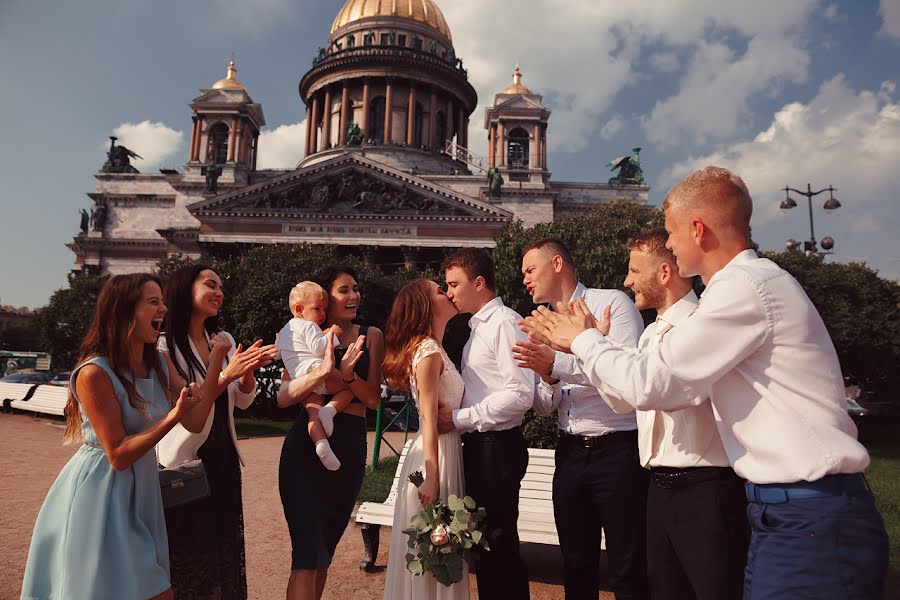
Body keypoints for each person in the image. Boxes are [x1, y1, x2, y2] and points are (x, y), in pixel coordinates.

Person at [522, 166, 890, 600]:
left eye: (671, 232)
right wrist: (585, 346)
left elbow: (654, 383)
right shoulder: (736, 290)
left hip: (807, 513)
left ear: (697, 230)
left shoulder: (745, 287)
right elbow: (644, 387)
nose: (670, 244)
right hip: (789, 510)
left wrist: (581, 340)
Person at [21, 273, 204, 600]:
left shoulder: (158, 362)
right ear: (125, 310)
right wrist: (174, 414)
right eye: (153, 302)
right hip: (103, 492)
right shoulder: (94, 374)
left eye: (162, 301)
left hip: (142, 489)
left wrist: (226, 368)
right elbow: (118, 454)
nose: (164, 307)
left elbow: (197, 409)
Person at [593, 228, 749, 599]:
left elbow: (658, 393)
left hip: (707, 489)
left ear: (664, 273)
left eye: (634, 270)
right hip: (659, 488)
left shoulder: (701, 324)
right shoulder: (649, 335)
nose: (627, 280)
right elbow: (621, 401)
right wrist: (592, 351)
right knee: (665, 590)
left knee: (715, 591)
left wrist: (590, 344)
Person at [511, 238, 649, 600]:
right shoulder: (541, 325)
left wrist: (558, 362)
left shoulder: (610, 303)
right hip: (569, 453)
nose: (524, 279)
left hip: (618, 451)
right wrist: (549, 374)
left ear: (557, 264)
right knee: (576, 566)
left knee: (627, 567)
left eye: (530, 269)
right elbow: (544, 407)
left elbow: (622, 373)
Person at [156, 264, 276, 600]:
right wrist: (223, 371)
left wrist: (248, 372)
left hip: (223, 457)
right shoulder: (164, 347)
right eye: (211, 285)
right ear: (184, 289)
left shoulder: (221, 340)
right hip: (187, 456)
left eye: (221, 287)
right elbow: (190, 406)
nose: (219, 293)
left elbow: (241, 401)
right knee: (191, 554)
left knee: (223, 550)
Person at [277, 266, 384, 600]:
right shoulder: (303, 333)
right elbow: (284, 396)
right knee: (306, 556)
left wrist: (348, 377)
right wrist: (326, 374)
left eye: (355, 288)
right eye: (343, 290)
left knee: (323, 554)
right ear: (323, 298)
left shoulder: (372, 334)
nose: (353, 296)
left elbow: (373, 400)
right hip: (305, 447)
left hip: (349, 444)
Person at [437, 248, 534, 600]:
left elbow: (520, 394)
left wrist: (459, 419)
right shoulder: (479, 326)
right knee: (486, 548)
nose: (449, 293)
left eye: (454, 284)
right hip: (481, 447)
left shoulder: (505, 323)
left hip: (497, 448)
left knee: (498, 545)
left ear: (478, 282)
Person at [382, 279, 468, 599]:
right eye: (438, 291)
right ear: (426, 306)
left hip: (444, 451)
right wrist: (433, 479)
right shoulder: (429, 352)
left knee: (443, 551)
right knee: (434, 553)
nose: (446, 293)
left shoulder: (435, 348)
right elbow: (429, 420)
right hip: (435, 458)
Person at [275, 281, 354, 471]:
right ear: (300, 309)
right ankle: (331, 411)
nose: (322, 314)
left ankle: (321, 445)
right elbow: (318, 347)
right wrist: (332, 336)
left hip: (300, 379)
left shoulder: (286, 330)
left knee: (313, 411)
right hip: (317, 369)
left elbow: (277, 354)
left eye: (324, 309)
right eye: (317, 309)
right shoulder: (309, 326)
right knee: (349, 388)